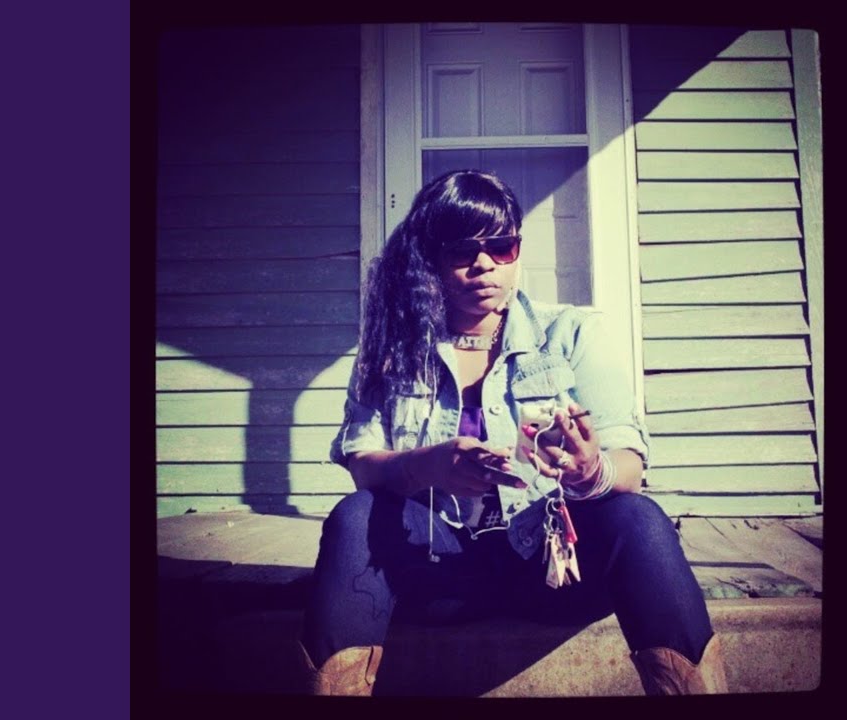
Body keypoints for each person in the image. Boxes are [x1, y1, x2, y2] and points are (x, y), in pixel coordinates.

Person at [297, 169, 725, 696]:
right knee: (355, 516)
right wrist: (425, 465)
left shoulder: (570, 332)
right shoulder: (394, 343)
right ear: (429, 257)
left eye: (502, 246)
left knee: (640, 518)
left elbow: (628, 465)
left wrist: (590, 471)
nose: (485, 264)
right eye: (462, 250)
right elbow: (363, 464)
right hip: (436, 569)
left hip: (552, 569)